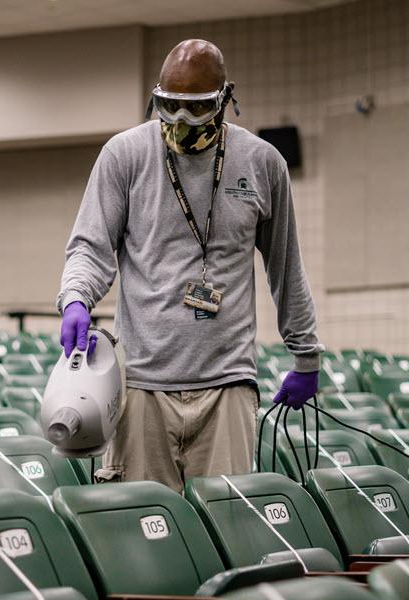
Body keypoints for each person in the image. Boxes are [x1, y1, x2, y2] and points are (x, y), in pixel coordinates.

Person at [56, 38, 321, 491]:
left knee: (229, 523)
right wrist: (76, 298)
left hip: (228, 384)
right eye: (169, 105)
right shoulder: (124, 156)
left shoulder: (262, 163)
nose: (179, 120)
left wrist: (306, 354)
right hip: (142, 383)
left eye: (195, 108)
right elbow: (90, 245)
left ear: (224, 99)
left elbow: (286, 265)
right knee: (144, 526)